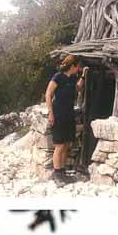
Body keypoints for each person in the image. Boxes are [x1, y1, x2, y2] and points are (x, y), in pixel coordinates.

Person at [45, 55, 87, 186]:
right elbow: (48, 94)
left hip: (69, 114)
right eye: (78, 67)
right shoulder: (58, 77)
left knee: (67, 144)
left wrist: (84, 75)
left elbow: (78, 88)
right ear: (72, 66)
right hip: (58, 114)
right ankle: (57, 174)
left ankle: (62, 172)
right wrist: (51, 113)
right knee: (59, 145)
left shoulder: (73, 78)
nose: (79, 69)